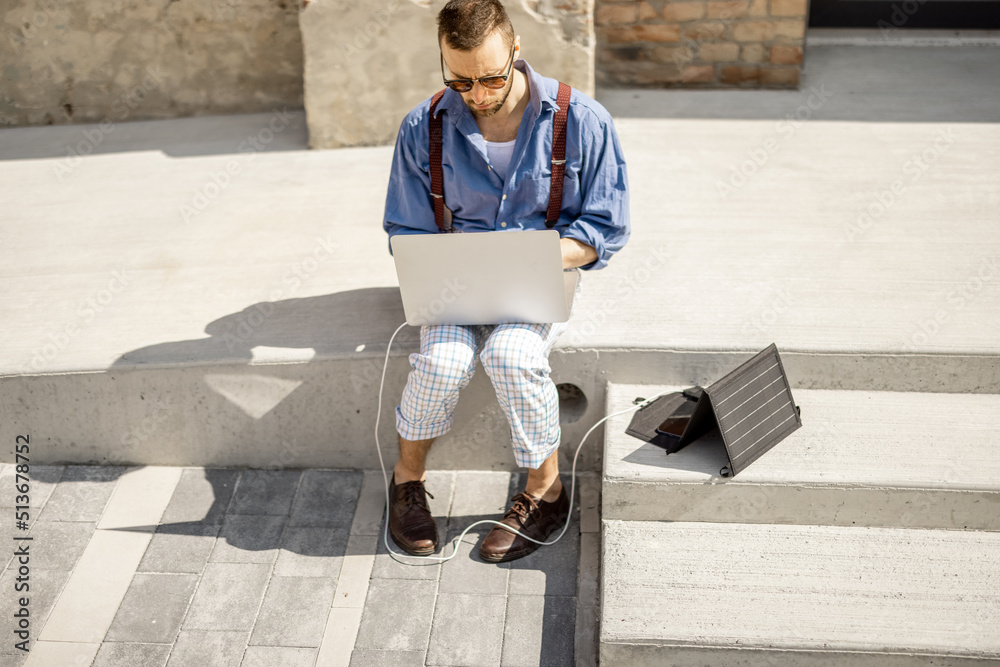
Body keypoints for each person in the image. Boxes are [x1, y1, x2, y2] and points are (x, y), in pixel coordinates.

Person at [382, 0, 629, 562]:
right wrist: (447, 262)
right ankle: (405, 481)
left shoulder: (583, 119)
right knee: (442, 363)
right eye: (461, 80)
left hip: (540, 276)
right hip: (454, 281)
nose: (478, 93)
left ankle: (546, 491)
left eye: (491, 77)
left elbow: (604, 229)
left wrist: (533, 257)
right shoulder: (425, 125)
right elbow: (404, 228)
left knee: (512, 356)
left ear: (517, 52)